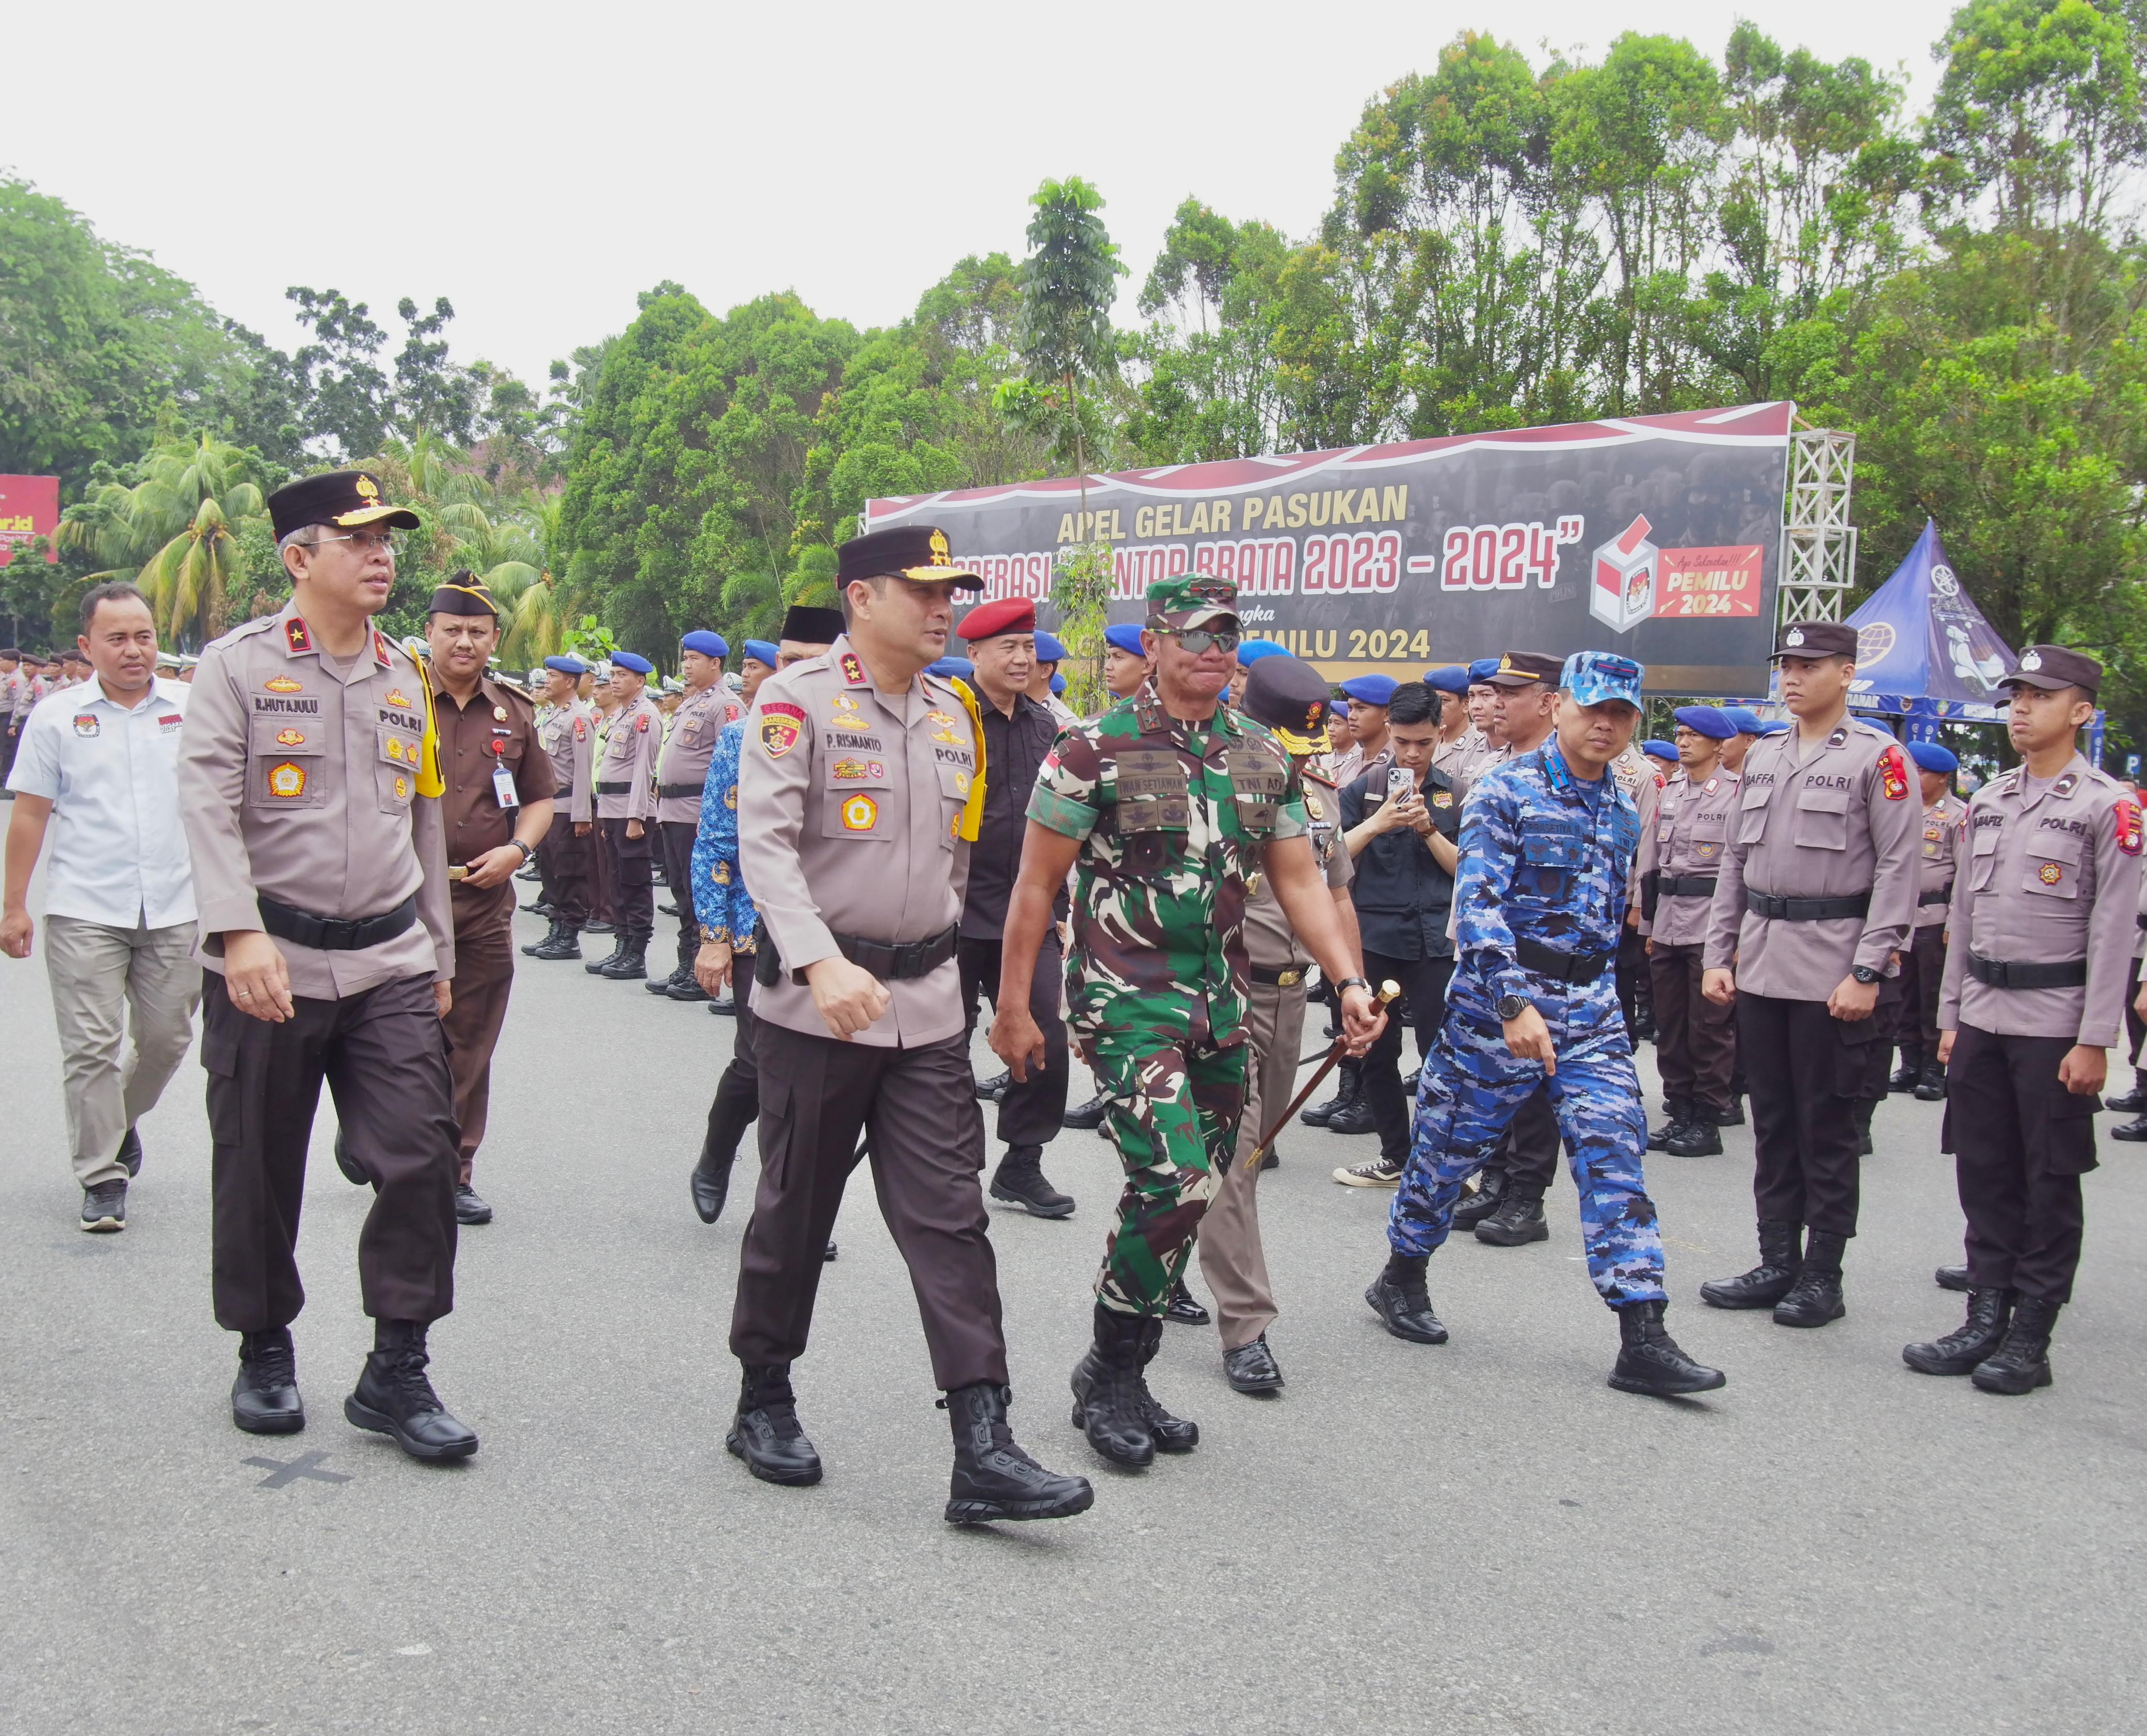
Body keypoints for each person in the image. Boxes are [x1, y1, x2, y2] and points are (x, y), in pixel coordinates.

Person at [728, 525, 1092, 1524]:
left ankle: (984, 1443)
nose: (943, 607)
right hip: (817, 1008)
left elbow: (968, 863)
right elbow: (765, 846)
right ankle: (763, 1395)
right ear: (860, 596)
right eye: (923, 589)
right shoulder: (791, 702)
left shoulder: (953, 714)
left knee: (951, 1219)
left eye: (952, 591)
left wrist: (1002, 995)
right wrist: (815, 956)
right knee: (795, 1210)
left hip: (927, 1008)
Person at [992, 572, 1383, 1471]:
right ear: (1157, 645)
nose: (1214, 647)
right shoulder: (1092, 748)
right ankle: (1109, 1367)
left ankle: (1122, 1368)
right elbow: (1034, 887)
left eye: (1227, 633)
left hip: (1221, 1008)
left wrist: (1349, 979)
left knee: (1198, 1187)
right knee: (1171, 1178)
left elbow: (1300, 881)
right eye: (1195, 633)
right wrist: (1017, 1007)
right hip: (1125, 1001)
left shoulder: (1260, 754)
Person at [177, 468, 476, 1462]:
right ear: (300, 558)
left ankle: (397, 1364)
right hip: (273, 957)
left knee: (422, 1155)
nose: (383, 553)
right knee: (259, 1160)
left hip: (388, 957)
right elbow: (210, 804)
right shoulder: (236, 667)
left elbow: (424, 818)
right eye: (360, 538)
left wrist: (436, 945)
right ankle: (265, 1344)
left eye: (389, 537)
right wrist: (237, 931)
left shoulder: (406, 675)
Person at [1366, 651, 1726, 1399]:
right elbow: (1479, 906)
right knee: (1446, 1151)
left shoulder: (1624, 806)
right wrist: (1511, 1004)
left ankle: (1643, 1332)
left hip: (1589, 1009)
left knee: (1615, 1150)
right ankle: (1402, 1275)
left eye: (1622, 715)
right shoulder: (1508, 790)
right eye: (1594, 709)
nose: (1606, 725)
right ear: (1561, 707)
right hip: (1496, 1007)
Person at [1905, 645, 2141, 1395]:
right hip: (1983, 1013)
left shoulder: (2110, 806)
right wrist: (1950, 1016)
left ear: (2080, 711)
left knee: (2049, 1178)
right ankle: (1985, 1315)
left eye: (2040, 696)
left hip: (2056, 1020)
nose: (2021, 709)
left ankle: (2031, 1334)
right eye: (2015, 696)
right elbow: (1964, 920)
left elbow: (2115, 930)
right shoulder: (1992, 801)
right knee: (1985, 1170)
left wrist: (2096, 1038)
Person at [1699, 621, 1920, 1330]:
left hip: (1834, 968)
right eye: (1786, 664)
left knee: (1827, 1127)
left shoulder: (1879, 757)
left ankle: (1823, 1273)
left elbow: (1897, 870)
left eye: (1809, 665)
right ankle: (1776, 1259)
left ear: (1847, 674)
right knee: (1773, 1123)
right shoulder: (1763, 755)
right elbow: (1735, 862)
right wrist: (1718, 953)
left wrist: (1868, 968)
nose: (1792, 676)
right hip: (1762, 961)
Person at [3, 584, 198, 1231]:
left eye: (143, 635)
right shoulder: (56, 717)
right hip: (85, 905)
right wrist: (14, 906)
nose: (134, 649)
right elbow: (30, 814)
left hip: (177, 905)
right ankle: (101, 1175)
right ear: (88, 647)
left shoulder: (189, 707)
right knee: (90, 1046)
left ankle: (118, 1120)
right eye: (116, 638)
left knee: (167, 1039)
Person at [1200, 652, 1359, 1394]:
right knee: (1231, 1155)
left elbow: (1335, 895)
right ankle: (1248, 1325)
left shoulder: (1317, 795)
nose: (1297, 762)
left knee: (1246, 1154)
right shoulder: (1216, 781)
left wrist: (1353, 986)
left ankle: (1160, 1249)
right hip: (1224, 989)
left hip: (1292, 994)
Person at [687, 606, 843, 1223]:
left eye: (810, 662)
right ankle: (717, 1154)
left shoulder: (862, 735)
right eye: (786, 660)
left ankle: (798, 1207)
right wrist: (714, 937)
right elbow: (717, 841)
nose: (793, 674)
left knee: (822, 1080)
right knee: (759, 1067)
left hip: (839, 935)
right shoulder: (742, 733)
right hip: (760, 934)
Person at [424, 578, 554, 1226]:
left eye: (477, 631)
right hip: (402, 903)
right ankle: (381, 1133)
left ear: (493, 638)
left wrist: (518, 852)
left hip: (481, 901)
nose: (465, 641)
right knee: (394, 1037)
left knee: (468, 1046)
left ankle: (452, 1172)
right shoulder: (396, 697)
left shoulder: (514, 711)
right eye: (453, 629)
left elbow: (539, 798)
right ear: (430, 632)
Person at [950, 596, 1077, 1217]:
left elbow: (1063, 824)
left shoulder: (1047, 727)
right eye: (1009, 647)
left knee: (1044, 1036)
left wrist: (1063, 904)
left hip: (1027, 913)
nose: (1023, 658)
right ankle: (952, 1167)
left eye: (1029, 647)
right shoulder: (945, 718)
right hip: (951, 910)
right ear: (973, 654)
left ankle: (1021, 1163)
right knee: (943, 1046)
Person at [1458, 649, 1569, 1245]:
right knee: (1490, 1074)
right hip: (1485, 950)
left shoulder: (1578, 772)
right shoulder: (1492, 763)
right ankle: (1496, 1180)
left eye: (1510, 693)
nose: (1495, 703)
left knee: (1535, 1081)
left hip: (1541, 957)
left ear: (1550, 701)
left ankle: (1527, 1197)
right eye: (1493, 692)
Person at [1331, 680, 1460, 1188]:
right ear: (1389, 731)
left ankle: (1441, 1164)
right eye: (1402, 741)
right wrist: (1376, 824)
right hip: (1374, 941)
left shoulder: (1458, 791)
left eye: (1423, 743)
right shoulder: (1361, 789)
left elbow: (1465, 870)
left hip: (1433, 942)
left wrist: (1429, 829)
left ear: (1440, 733)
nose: (1411, 753)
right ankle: (1395, 1156)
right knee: (1374, 1051)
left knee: (1440, 1054)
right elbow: (1325, 858)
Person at [1636, 705, 1743, 1158]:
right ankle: (1679, 1110)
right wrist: (1648, 922)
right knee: (1671, 1023)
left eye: (1694, 736)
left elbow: (1742, 870)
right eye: (1679, 734)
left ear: (1718, 745)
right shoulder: (1672, 790)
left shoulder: (1737, 793)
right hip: (1669, 922)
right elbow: (1651, 862)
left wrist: (1737, 939)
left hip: (1710, 925)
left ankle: (1708, 1117)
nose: (1683, 742)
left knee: (1709, 1027)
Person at [645, 632, 734, 1000]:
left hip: (697, 810)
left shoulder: (724, 705)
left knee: (699, 894)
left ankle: (699, 969)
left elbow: (728, 765)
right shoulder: (689, 704)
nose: (686, 665)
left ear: (715, 663)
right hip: (672, 809)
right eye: (685, 658)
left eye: (695, 658)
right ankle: (686, 963)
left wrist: (714, 815)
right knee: (681, 890)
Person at [1885, 741, 1965, 1101]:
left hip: (1936, 918)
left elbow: (1965, 875)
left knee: (1932, 995)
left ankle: (1935, 1070)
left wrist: (1954, 923)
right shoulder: (1904, 810)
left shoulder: (1958, 817)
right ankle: (1910, 1065)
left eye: (1921, 772)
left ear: (1943, 778)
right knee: (1905, 995)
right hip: (1904, 918)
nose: (1915, 778)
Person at [587, 650, 662, 980]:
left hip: (633, 812)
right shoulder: (619, 715)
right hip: (613, 810)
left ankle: (637, 952)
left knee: (634, 882)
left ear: (640, 681)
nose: (614, 680)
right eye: (613, 675)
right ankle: (622, 944)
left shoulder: (646, 716)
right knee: (616, 881)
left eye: (621, 676)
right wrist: (606, 817)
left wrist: (636, 817)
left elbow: (645, 771)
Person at [523, 656, 597, 961]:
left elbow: (583, 771)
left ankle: (569, 935)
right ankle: (556, 929)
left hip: (567, 808)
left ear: (569, 682)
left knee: (569, 873)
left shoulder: (579, 719)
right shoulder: (553, 715)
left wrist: (582, 815)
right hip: (548, 807)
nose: (546, 682)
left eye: (552, 676)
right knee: (551, 872)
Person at [1329, 674, 1395, 786]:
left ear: (1387, 714)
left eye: (1361, 708)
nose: (1351, 716)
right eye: (1350, 708)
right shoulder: (1346, 767)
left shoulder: (1399, 764)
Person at [1029, 628, 1078, 728]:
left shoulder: (1065, 723)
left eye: (1028, 661)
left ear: (1046, 671)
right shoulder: (1006, 710)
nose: (1019, 664)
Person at [1102, 622, 1150, 701]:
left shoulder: (1164, 711)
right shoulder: (1116, 712)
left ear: (1147, 665)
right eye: (1109, 657)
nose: (1107, 666)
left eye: (1118, 657)